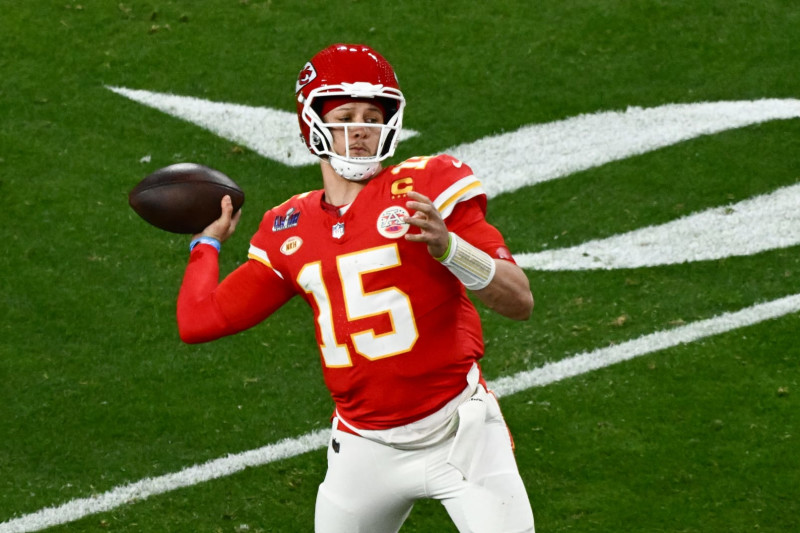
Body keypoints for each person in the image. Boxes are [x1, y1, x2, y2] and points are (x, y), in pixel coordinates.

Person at [177, 43, 535, 533]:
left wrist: (451, 247)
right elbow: (199, 320)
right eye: (345, 114)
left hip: (461, 433)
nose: (362, 128)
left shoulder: (427, 186)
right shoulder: (289, 227)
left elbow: (519, 301)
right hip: (363, 450)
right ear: (313, 126)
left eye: (372, 115)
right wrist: (206, 245)